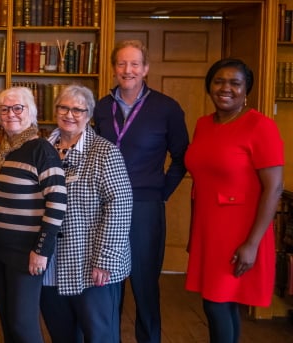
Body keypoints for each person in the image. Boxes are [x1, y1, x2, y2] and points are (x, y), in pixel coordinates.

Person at [92, 39, 189, 343]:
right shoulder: (101, 107)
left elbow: (182, 157)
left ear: (146, 69)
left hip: (145, 206)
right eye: (121, 63)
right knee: (107, 283)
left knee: (145, 285)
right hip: (105, 206)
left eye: (135, 64)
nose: (128, 69)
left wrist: (161, 192)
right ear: (113, 68)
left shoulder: (167, 108)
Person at [184, 58, 283, 343]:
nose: (225, 88)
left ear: (246, 90)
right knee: (219, 303)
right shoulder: (203, 124)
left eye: (234, 83)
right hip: (208, 228)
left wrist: (252, 243)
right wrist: (194, 233)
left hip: (240, 231)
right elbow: (201, 183)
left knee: (217, 304)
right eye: (219, 81)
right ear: (209, 87)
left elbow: (274, 188)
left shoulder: (260, 126)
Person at [0, 86, 67, 343]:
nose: (10, 114)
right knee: (9, 323)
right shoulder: (3, 151)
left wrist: (42, 251)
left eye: (17, 108)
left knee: (23, 325)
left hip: (26, 253)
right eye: (4, 109)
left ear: (31, 112)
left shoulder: (41, 150)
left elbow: (57, 204)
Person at [40, 85, 133, 343]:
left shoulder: (105, 152)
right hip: (50, 265)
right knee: (62, 335)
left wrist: (105, 260)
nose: (70, 114)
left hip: (91, 265)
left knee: (100, 335)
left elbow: (120, 208)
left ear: (89, 115)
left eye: (78, 110)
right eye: (64, 107)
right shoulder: (42, 149)